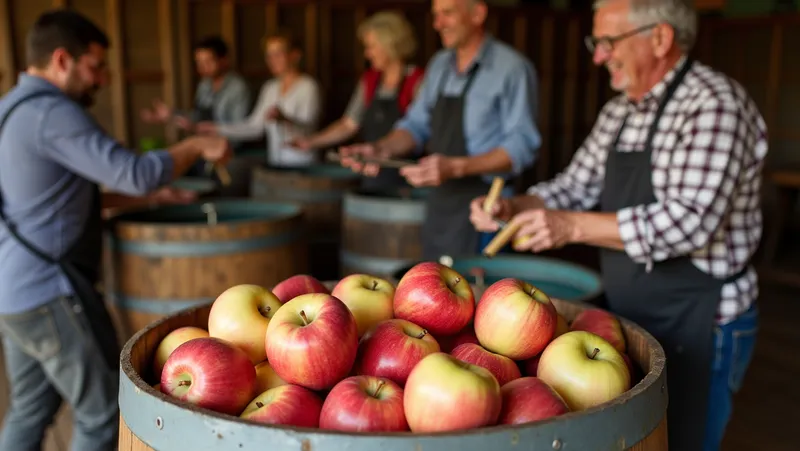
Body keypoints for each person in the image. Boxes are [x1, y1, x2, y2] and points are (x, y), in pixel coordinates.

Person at [469, 0, 765, 450]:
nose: (597, 56)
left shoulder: (714, 106)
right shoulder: (621, 112)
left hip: (705, 318)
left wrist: (568, 226)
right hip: (636, 312)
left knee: (686, 438)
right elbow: (573, 186)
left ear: (661, 39)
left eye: (607, 41)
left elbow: (691, 222)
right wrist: (514, 207)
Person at [0, 9, 232, 451]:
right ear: (62, 60)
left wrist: (153, 200)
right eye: (96, 66)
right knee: (105, 412)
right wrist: (197, 144)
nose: (102, 78)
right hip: (51, 293)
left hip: (14, 290)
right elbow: (136, 172)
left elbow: (47, 199)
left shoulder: (10, 109)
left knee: (29, 410)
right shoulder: (53, 114)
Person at [338, 0, 541, 260]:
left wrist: (455, 167)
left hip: (488, 207)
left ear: (477, 13)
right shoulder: (439, 65)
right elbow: (415, 125)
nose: (437, 24)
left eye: (447, 13)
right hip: (440, 204)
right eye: (435, 15)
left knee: (482, 293)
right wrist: (380, 148)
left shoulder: (512, 68)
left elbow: (522, 147)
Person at [291, 11, 425, 192]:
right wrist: (312, 142)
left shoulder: (418, 82)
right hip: (372, 175)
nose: (367, 54)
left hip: (409, 182)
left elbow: (422, 130)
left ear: (390, 45)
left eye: (371, 47)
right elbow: (348, 124)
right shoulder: (369, 82)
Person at [197, 30, 322, 168]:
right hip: (276, 164)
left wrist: (284, 118)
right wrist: (217, 129)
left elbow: (308, 128)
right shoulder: (270, 88)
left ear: (294, 55)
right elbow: (255, 127)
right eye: (269, 55)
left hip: (304, 164)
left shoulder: (308, 87)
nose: (272, 60)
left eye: (277, 54)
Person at [140, 35, 251, 135]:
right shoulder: (205, 84)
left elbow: (240, 129)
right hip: (205, 143)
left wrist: (208, 129)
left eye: (208, 62)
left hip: (231, 149)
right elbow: (198, 116)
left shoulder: (238, 87)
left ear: (223, 60)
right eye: (199, 62)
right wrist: (171, 115)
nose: (202, 67)